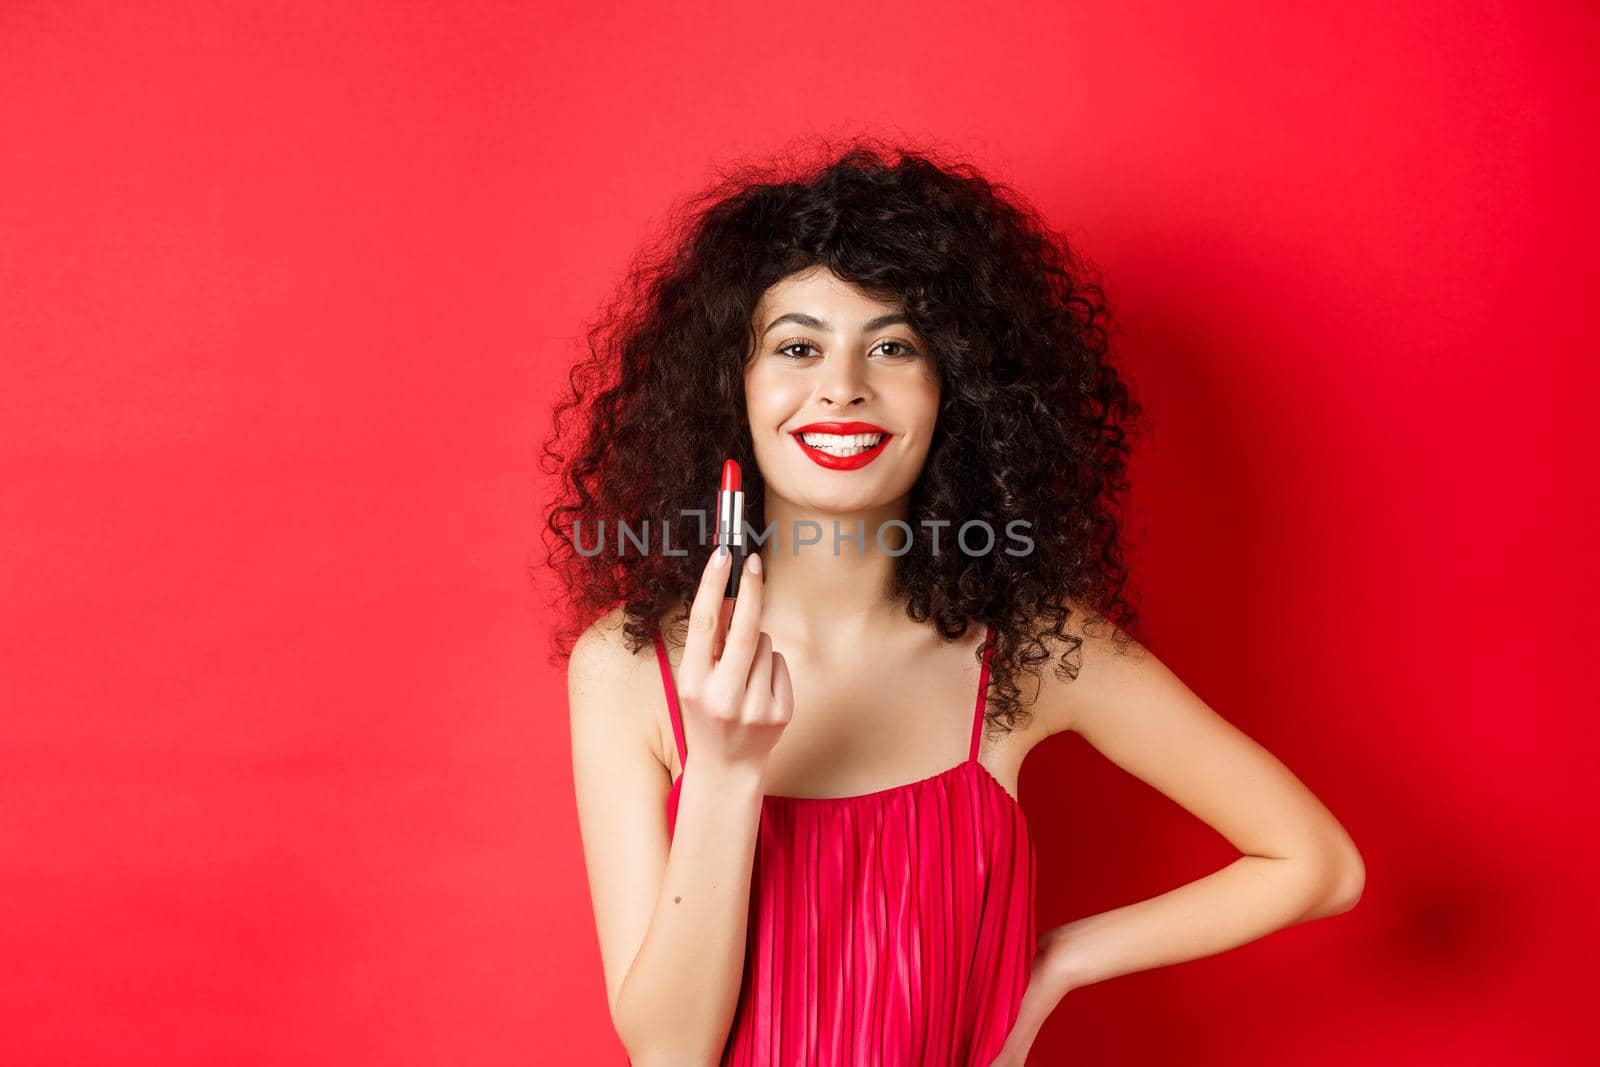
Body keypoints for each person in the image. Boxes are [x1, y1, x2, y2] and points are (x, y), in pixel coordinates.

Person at [545, 140, 1365, 1065]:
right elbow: (670, 1052)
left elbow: (1320, 865)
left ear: (959, 392)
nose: (843, 386)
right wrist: (727, 767)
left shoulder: (1033, 652)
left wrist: (1054, 963)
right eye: (797, 346)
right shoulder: (626, 666)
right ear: (730, 390)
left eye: (893, 346)